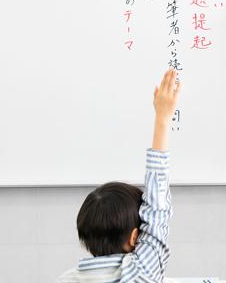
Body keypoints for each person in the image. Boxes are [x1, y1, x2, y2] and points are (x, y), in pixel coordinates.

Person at [58, 69, 181, 282]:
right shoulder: (139, 274)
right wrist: (162, 118)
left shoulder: (63, 280)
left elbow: (156, 214)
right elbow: (157, 211)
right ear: (135, 237)